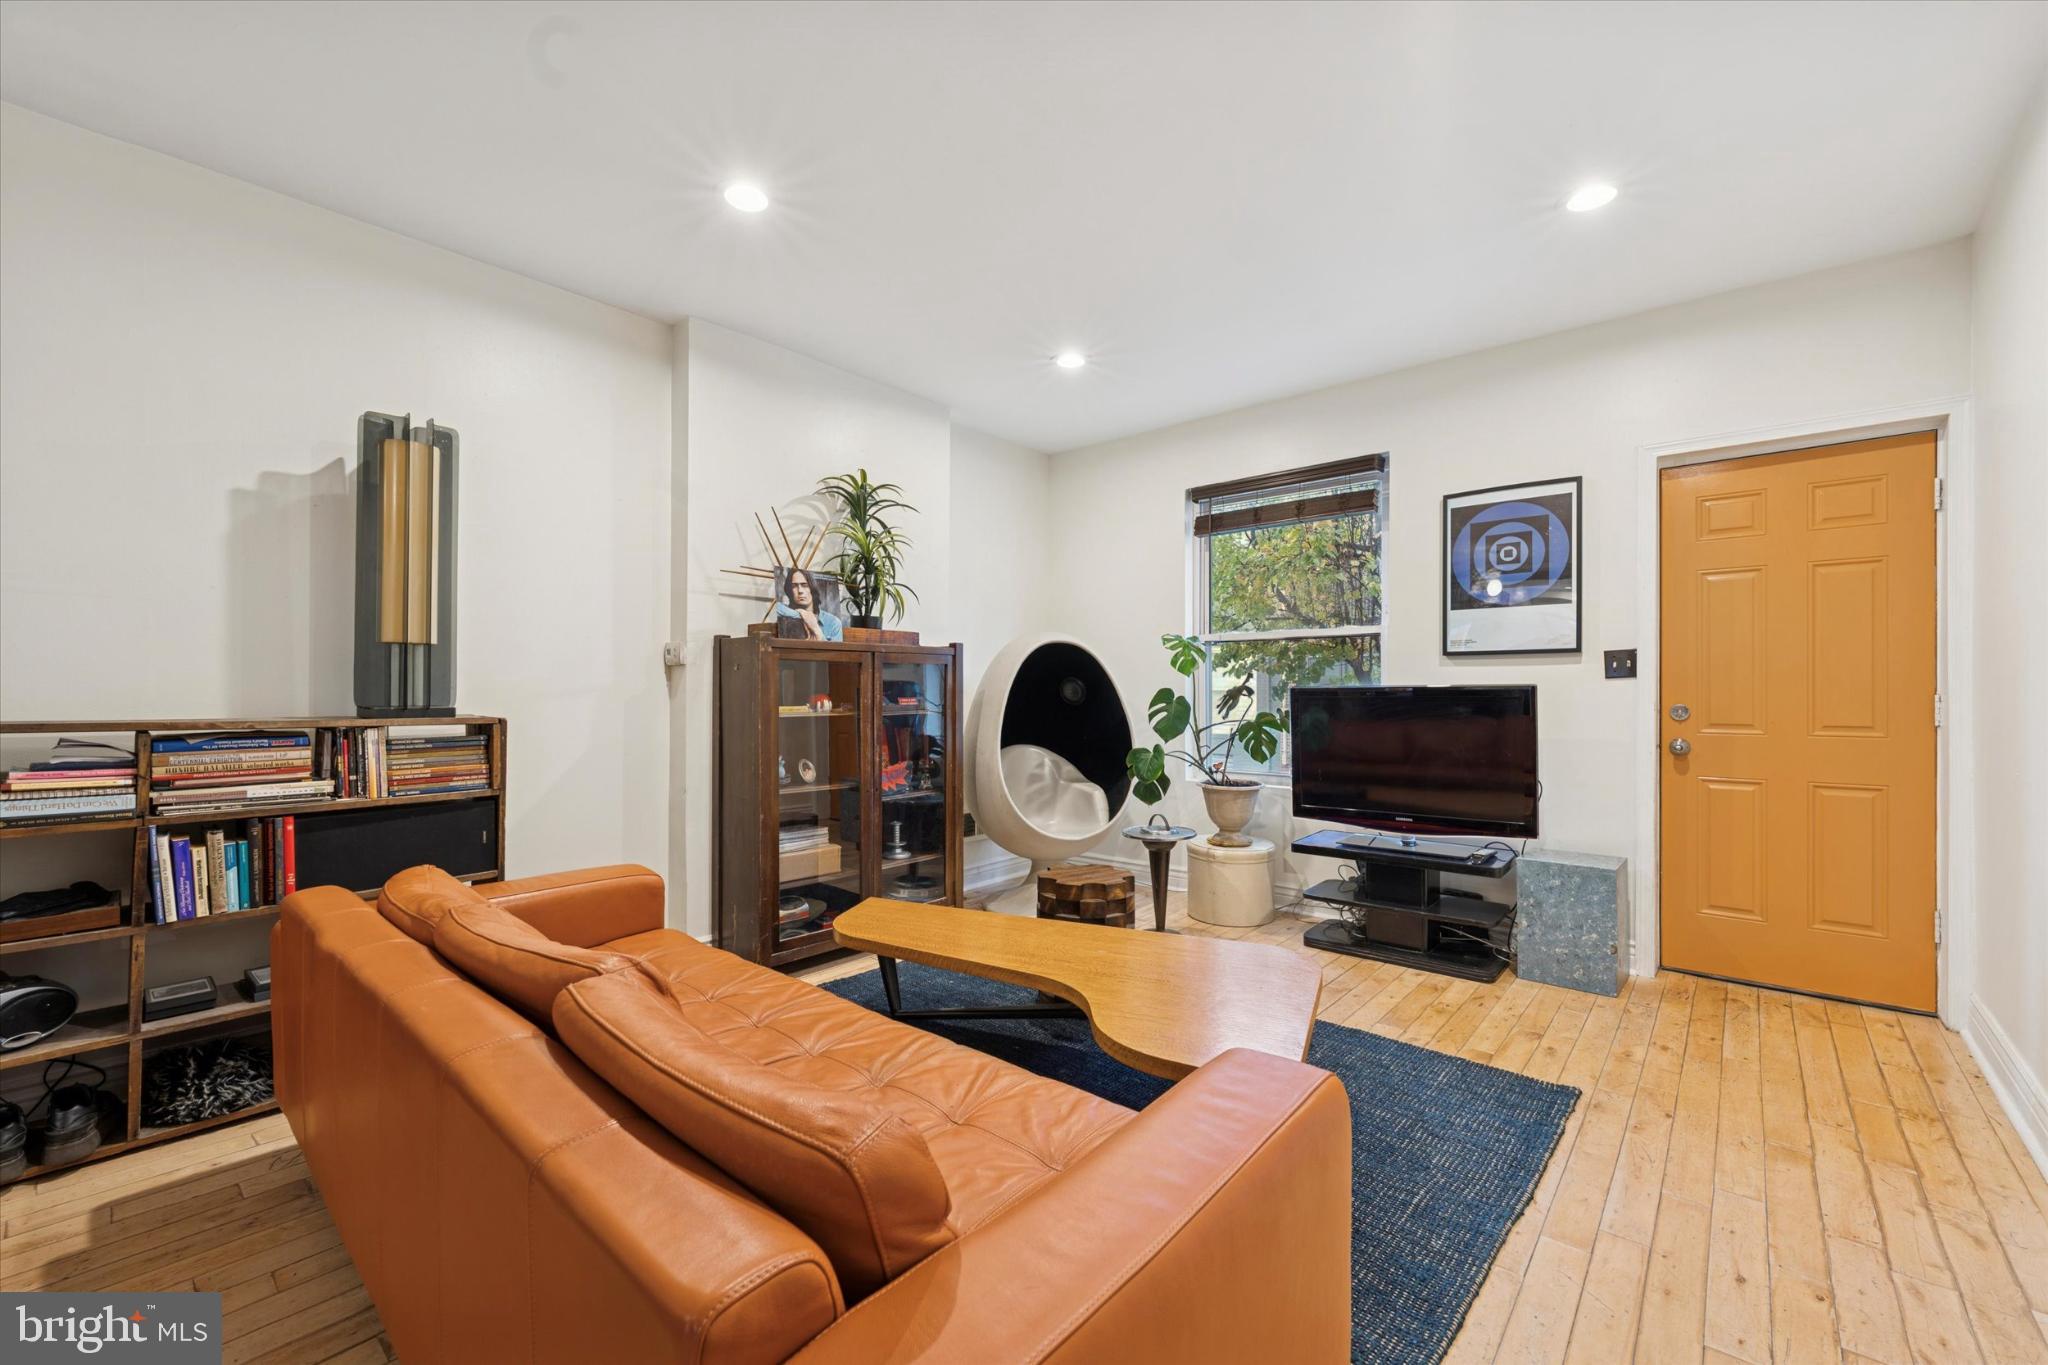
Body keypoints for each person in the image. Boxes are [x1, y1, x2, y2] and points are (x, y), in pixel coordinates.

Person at [775, 567, 843, 641]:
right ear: (789, 590)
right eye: (794, 586)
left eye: (805, 585)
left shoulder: (833, 622)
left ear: (812, 588)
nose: (800, 591)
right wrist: (801, 615)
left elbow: (836, 648)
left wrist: (816, 629)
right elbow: (777, 607)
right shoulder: (783, 613)